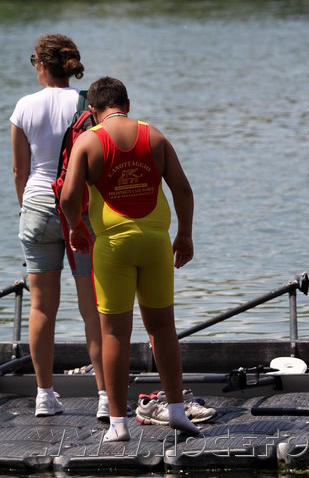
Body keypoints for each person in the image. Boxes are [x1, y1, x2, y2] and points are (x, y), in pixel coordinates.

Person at [60, 76, 200, 442]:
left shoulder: (88, 141)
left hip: (113, 248)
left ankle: (119, 425)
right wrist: (184, 234)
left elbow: (68, 197)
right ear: (127, 103)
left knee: (115, 335)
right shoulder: (154, 136)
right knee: (163, 328)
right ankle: (177, 411)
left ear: (92, 112)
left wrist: (76, 227)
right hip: (155, 244)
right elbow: (183, 189)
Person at [10, 34, 107, 418]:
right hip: (79, 209)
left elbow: (20, 170)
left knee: (41, 307)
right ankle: (104, 396)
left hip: (35, 206)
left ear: (41, 65)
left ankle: (44, 396)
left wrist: (29, 209)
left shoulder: (23, 107)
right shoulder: (88, 104)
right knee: (94, 308)